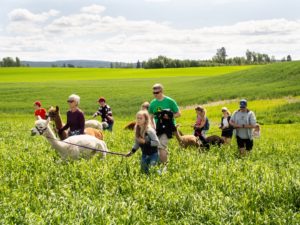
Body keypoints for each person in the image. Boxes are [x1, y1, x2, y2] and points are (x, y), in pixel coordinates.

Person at [149, 83, 181, 170]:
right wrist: (152, 126)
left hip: (168, 127)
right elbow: (150, 116)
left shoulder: (170, 101)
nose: (155, 94)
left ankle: (164, 168)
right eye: (154, 93)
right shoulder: (152, 103)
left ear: (162, 91)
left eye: (157, 92)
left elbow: (178, 113)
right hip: (157, 127)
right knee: (156, 146)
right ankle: (162, 162)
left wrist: (169, 116)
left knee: (161, 146)